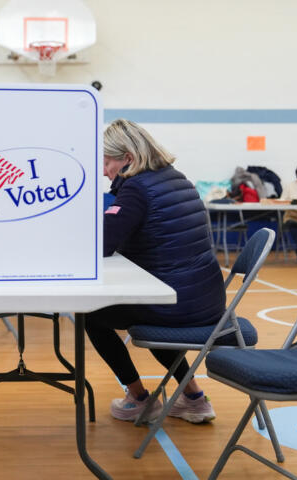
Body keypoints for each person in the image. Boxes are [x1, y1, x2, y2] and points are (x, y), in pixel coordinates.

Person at [86, 119, 224, 424]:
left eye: (107, 162)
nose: (104, 170)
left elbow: (103, 244)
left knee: (93, 316)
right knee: (148, 311)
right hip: (206, 300)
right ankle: (194, 398)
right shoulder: (175, 177)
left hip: (177, 303)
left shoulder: (136, 188)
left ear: (128, 159)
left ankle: (138, 399)